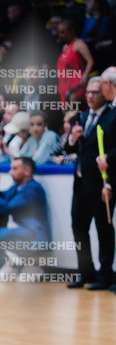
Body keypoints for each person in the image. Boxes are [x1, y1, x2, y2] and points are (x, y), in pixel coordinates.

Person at [64, 77, 116, 291]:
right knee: (78, 228)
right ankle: (85, 272)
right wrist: (72, 140)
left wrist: (111, 183)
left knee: (104, 230)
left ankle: (104, 276)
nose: (90, 96)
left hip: (102, 184)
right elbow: (68, 150)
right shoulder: (81, 117)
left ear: (105, 93)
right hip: (80, 184)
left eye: (95, 92)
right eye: (88, 93)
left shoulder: (113, 116)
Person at [0, 157, 50, 276]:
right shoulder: (17, 187)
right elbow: (3, 198)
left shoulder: (33, 189)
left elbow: (8, 207)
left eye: (15, 169)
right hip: (24, 234)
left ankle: (32, 264)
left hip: (35, 238)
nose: (10, 172)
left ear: (27, 171)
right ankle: (8, 266)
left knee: (3, 234)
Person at [57, 19, 93, 106]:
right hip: (64, 84)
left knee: (74, 108)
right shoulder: (66, 46)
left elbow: (90, 61)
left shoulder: (79, 44)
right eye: (59, 32)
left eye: (62, 32)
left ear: (71, 31)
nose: (60, 35)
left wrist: (85, 75)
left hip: (76, 83)